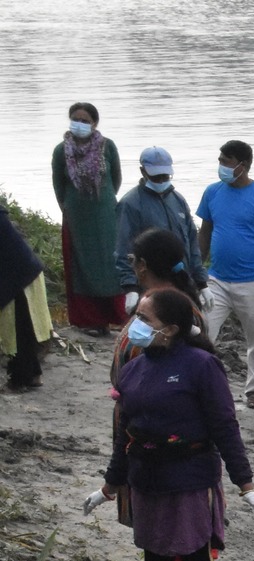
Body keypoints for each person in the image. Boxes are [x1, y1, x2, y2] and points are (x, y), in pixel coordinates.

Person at [87, 289, 254, 561]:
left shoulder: (201, 366)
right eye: (135, 315)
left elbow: (225, 426)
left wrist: (246, 484)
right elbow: (124, 434)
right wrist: (109, 486)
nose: (134, 325)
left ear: (171, 329)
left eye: (145, 319)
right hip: (147, 481)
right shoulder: (133, 370)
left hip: (189, 480)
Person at [109, 229, 212, 561]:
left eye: (134, 260)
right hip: (148, 436)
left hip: (172, 447)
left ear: (143, 266)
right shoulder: (161, 304)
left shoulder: (176, 310)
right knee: (165, 533)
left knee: (186, 535)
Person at [196, 139, 254, 409]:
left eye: (226, 161)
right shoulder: (212, 192)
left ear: (242, 166)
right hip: (217, 280)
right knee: (204, 332)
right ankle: (198, 385)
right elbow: (205, 232)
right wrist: (198, 272)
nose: (221, 165)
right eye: (220, 160)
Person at [50, 101, 124, 334]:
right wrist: (68, 208)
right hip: (76, 217)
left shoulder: (107, 147)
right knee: (80, 264)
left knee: (109, 263)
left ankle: (115, 316)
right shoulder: (61, 150)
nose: (79, 124)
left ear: (94, 123)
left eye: (85, 120)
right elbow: (59, 185)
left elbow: (116, 179)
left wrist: (103, 200)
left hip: (104, 215)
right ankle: (89, 320)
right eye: (75, 119)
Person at [114, 147, 205, 311]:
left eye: (165, 176)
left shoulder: (178, 200)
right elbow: (122, 249)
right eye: (156, 176)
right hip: (149, 284)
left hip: (181, 281)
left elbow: (192, 242)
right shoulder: (131, 204)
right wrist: (130, 287)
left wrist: (201, 282)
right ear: (143, 171)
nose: (161, 180)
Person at [1, 201, 52, 392]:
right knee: (25, 329)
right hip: (23, 271)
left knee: (19, 329)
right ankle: (33, 375)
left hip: (19, 275)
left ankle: (20, 380)